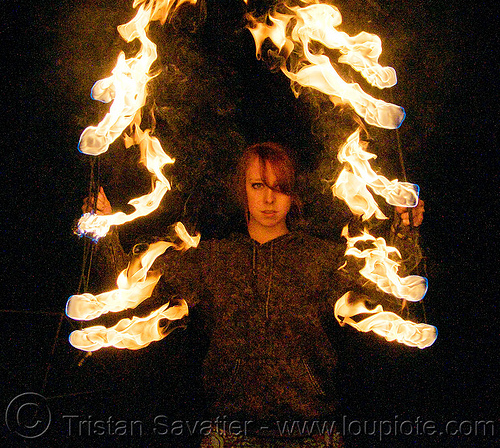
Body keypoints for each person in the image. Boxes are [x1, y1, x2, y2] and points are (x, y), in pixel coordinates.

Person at [83, 142, 424, 447]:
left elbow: (391, 302)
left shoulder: (323, 259)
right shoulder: (214, 258)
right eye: (257, 185)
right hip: (231, 435)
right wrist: (103, 231)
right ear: (242, 190)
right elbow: (133, 295)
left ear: (293, 194)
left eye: (280, 187)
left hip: (312, 433)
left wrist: (404, 232)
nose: (268, 198)